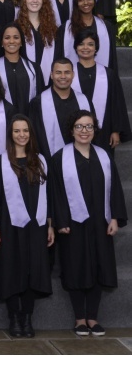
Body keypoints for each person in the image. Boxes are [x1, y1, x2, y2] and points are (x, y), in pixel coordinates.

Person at [49, 110, 127, 336]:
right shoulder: (59, 158)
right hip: (73, 223)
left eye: (89, 126)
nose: (84, 131)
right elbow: (55, 193)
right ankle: (79, 319)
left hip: (100, 222)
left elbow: (115, 190)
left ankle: (93, 317)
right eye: (79, 126)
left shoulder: (104, 156)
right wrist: (60, 221)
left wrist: (114, 217)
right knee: (75, 268)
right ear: (71, 130)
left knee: (99, 266)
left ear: (95, 130)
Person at [0, 114, 52, 338]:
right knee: (11, 270)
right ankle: (14, 316)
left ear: (31, 133)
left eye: (25, 130)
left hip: (36, 225)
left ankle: (27, 316)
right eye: (17, 131)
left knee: (32, 271)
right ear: (10, 134)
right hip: (9, 225)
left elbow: (50, 195)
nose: (21, 135)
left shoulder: (41, 161)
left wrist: (50, 224)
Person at [71, 29, 131, 151]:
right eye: (81, 44)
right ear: (76, 47)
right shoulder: (68, 74)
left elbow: (116, 104)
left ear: (96, 48)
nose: (85, 47)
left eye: (90, 44)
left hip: (104, 130)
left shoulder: (108, 74)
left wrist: (115, 130)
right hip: (74, 130)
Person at [29, 59, 91, 157]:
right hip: (48, 160)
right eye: (58, 72)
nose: (63, 76)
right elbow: (32, 136)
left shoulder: (84, 100)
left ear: (73, 75)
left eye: (67, 72)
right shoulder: (37, 103)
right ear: (51, 75)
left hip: (80, 159)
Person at [58, 0, 117, 71]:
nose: (86, 3)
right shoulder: (65, 28)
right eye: (81, 0)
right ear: (76, 3)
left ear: (94, 0)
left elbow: (112, 57)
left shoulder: (106, 26)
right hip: (74, 74)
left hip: (100, 74)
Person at [0, 24, 43, 116]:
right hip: (1, 118)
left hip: (29, 119)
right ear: (1, 42)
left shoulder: (34, 68)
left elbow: (40, 98)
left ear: (21, 42)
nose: (11, 41)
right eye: (7, 38)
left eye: (16, 37)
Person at [16, 0, 59, 87]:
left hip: (49, 82)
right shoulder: (16, 27)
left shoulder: (53, 29)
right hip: (24, 81)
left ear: (44, 1)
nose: (35, 0)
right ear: (25, 0)